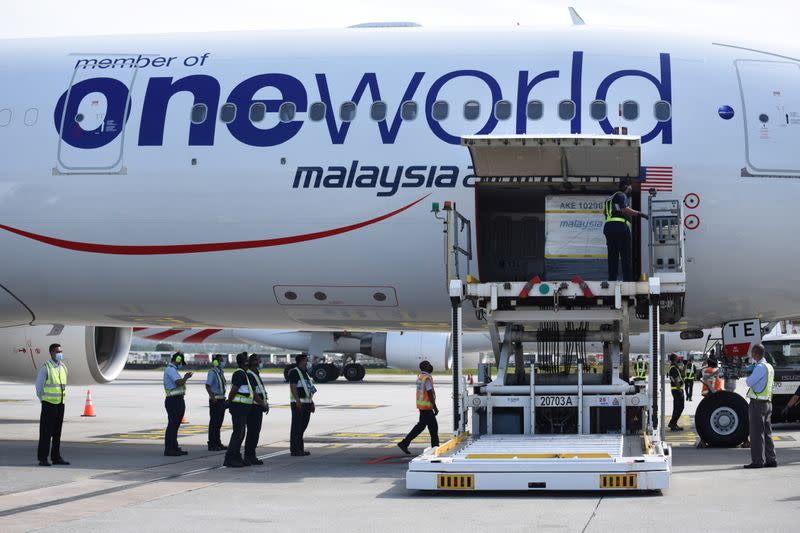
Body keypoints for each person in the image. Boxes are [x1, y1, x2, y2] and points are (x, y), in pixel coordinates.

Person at [603, 178, 648, 282]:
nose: (631, 188)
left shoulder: (609, 199)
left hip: (609, 228)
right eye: (630, 186)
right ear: (626, 187)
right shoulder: (621, 195)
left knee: (612, 256)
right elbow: (625, 209)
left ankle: (612, 280)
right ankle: (628, 281)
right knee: (626, 255)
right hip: (621, 228)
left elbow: (604, 213)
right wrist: (641, 214)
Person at [35, 343, 70, 466]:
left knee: (57, 432)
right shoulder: (46, 367)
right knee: (45, 432)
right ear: (51, 353)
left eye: (60, 351)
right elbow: (39, 387)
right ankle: (43, 458)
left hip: (60, 404)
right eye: (57, 352)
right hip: (48, 404)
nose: (59, 354)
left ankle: (56, 457)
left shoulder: (63, 367)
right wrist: (43, 399)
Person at [744, 344, 776, 468]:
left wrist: (750, 372)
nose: (752, 356)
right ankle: (771, 459)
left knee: (756, 434)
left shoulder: (760, 367)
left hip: (757, 404)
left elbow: (749, 382)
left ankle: (757, 461)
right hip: (768, 402)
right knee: (767, 433)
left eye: (752, 353)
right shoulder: (770, 367)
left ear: (756, 354)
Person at [397, 360, 440, 454]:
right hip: (427, 408)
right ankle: (436, 448)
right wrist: (435, 407)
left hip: (422, 407)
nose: (431, 366)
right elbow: (429, 393)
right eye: (429, 365)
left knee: (420, 427)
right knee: (433, 428)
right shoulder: (427, 378)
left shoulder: (420, 377)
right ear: (425, 367)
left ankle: (404, 443)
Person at [224, 352, 254, 467]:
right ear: (245, 362)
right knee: (238, 433)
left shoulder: (244, 373)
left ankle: (236, 456)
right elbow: (234, 390)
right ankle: (230, 458)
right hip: (238, 408)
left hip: (243, 408)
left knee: (241, 433)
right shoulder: (239, 373)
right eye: (248, 359)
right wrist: (229, 401)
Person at [163, 352, 193, 456]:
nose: (181, 364)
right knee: (172, 425)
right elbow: (179, 383)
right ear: (178, 359)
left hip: (177, 400)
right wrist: (186, 377)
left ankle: (174, 447)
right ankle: (169, 449)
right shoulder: (170, 370)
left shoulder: (173, 370)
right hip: (173, 401)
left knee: (175, 425)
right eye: (181, 362)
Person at [289, 354, 317, 457]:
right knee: (296, 427)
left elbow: (308, 389)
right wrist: (297, 401)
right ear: (301, 361)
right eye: (306, 360)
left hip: (307, 403)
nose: (307, 362)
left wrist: (312, 402)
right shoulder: (294, 372)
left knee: (302, 427)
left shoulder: (305, 373)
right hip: (299, 403)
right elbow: (293, 387)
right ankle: (295, 450)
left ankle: (300, 449)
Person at [244, 354, 269, 465]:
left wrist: (264, 403)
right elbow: (254, 393)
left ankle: (251, 455)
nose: (260, 363)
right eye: (259, 361)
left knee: (255, 432)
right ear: (254, 362)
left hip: (258, 407)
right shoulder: (250, 374)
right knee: (252, 433)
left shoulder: (255, 374)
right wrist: (263, 404)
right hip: (254, 407)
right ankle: (249, 456)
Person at [205, 354, 227, 451]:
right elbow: (208, 385)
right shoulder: (212, 372)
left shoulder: (220, 372)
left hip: (221, 400)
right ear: (216, 362)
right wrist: (212, 397)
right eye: (221, 360)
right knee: (214, 423)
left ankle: (218, 442)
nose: (223, 362)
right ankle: (212, 444)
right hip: (216, 400)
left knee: (219, 423)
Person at [667, 353, 685, 431]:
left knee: (677, 407)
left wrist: (685, 365)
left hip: (676, 390)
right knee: (679, 407)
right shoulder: (673, 368)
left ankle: (673, 423)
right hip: (677, 390)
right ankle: (672, 423)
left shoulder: (674, 367)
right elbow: (676, 380)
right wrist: (679, 390)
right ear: (674, 359)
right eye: (677, 357)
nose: (678, 358)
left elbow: (682, 371)